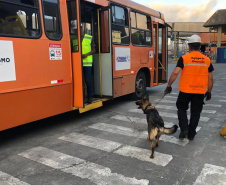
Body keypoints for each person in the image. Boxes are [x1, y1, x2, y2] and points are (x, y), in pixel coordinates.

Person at [164, 34, 214, 140]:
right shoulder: (207, 60)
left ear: (189, 46)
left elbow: (175, 73)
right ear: (200, 46)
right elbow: (210, 78)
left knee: (181, 108)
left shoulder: (184, 58)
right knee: (195, 112)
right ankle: (191, 134)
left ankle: (184, 129)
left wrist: (169, 86)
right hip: (200, 92)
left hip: (185, 91)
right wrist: (209, 91)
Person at [81, 27, 96, 104]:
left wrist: (86, 54)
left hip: (87, 63)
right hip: (78, 63)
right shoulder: (74, 38)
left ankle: (89, 98)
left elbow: (94, 50)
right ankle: (81, 98)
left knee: (87, 80)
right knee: (79, 81)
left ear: (81, 29)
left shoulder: (89, 37)